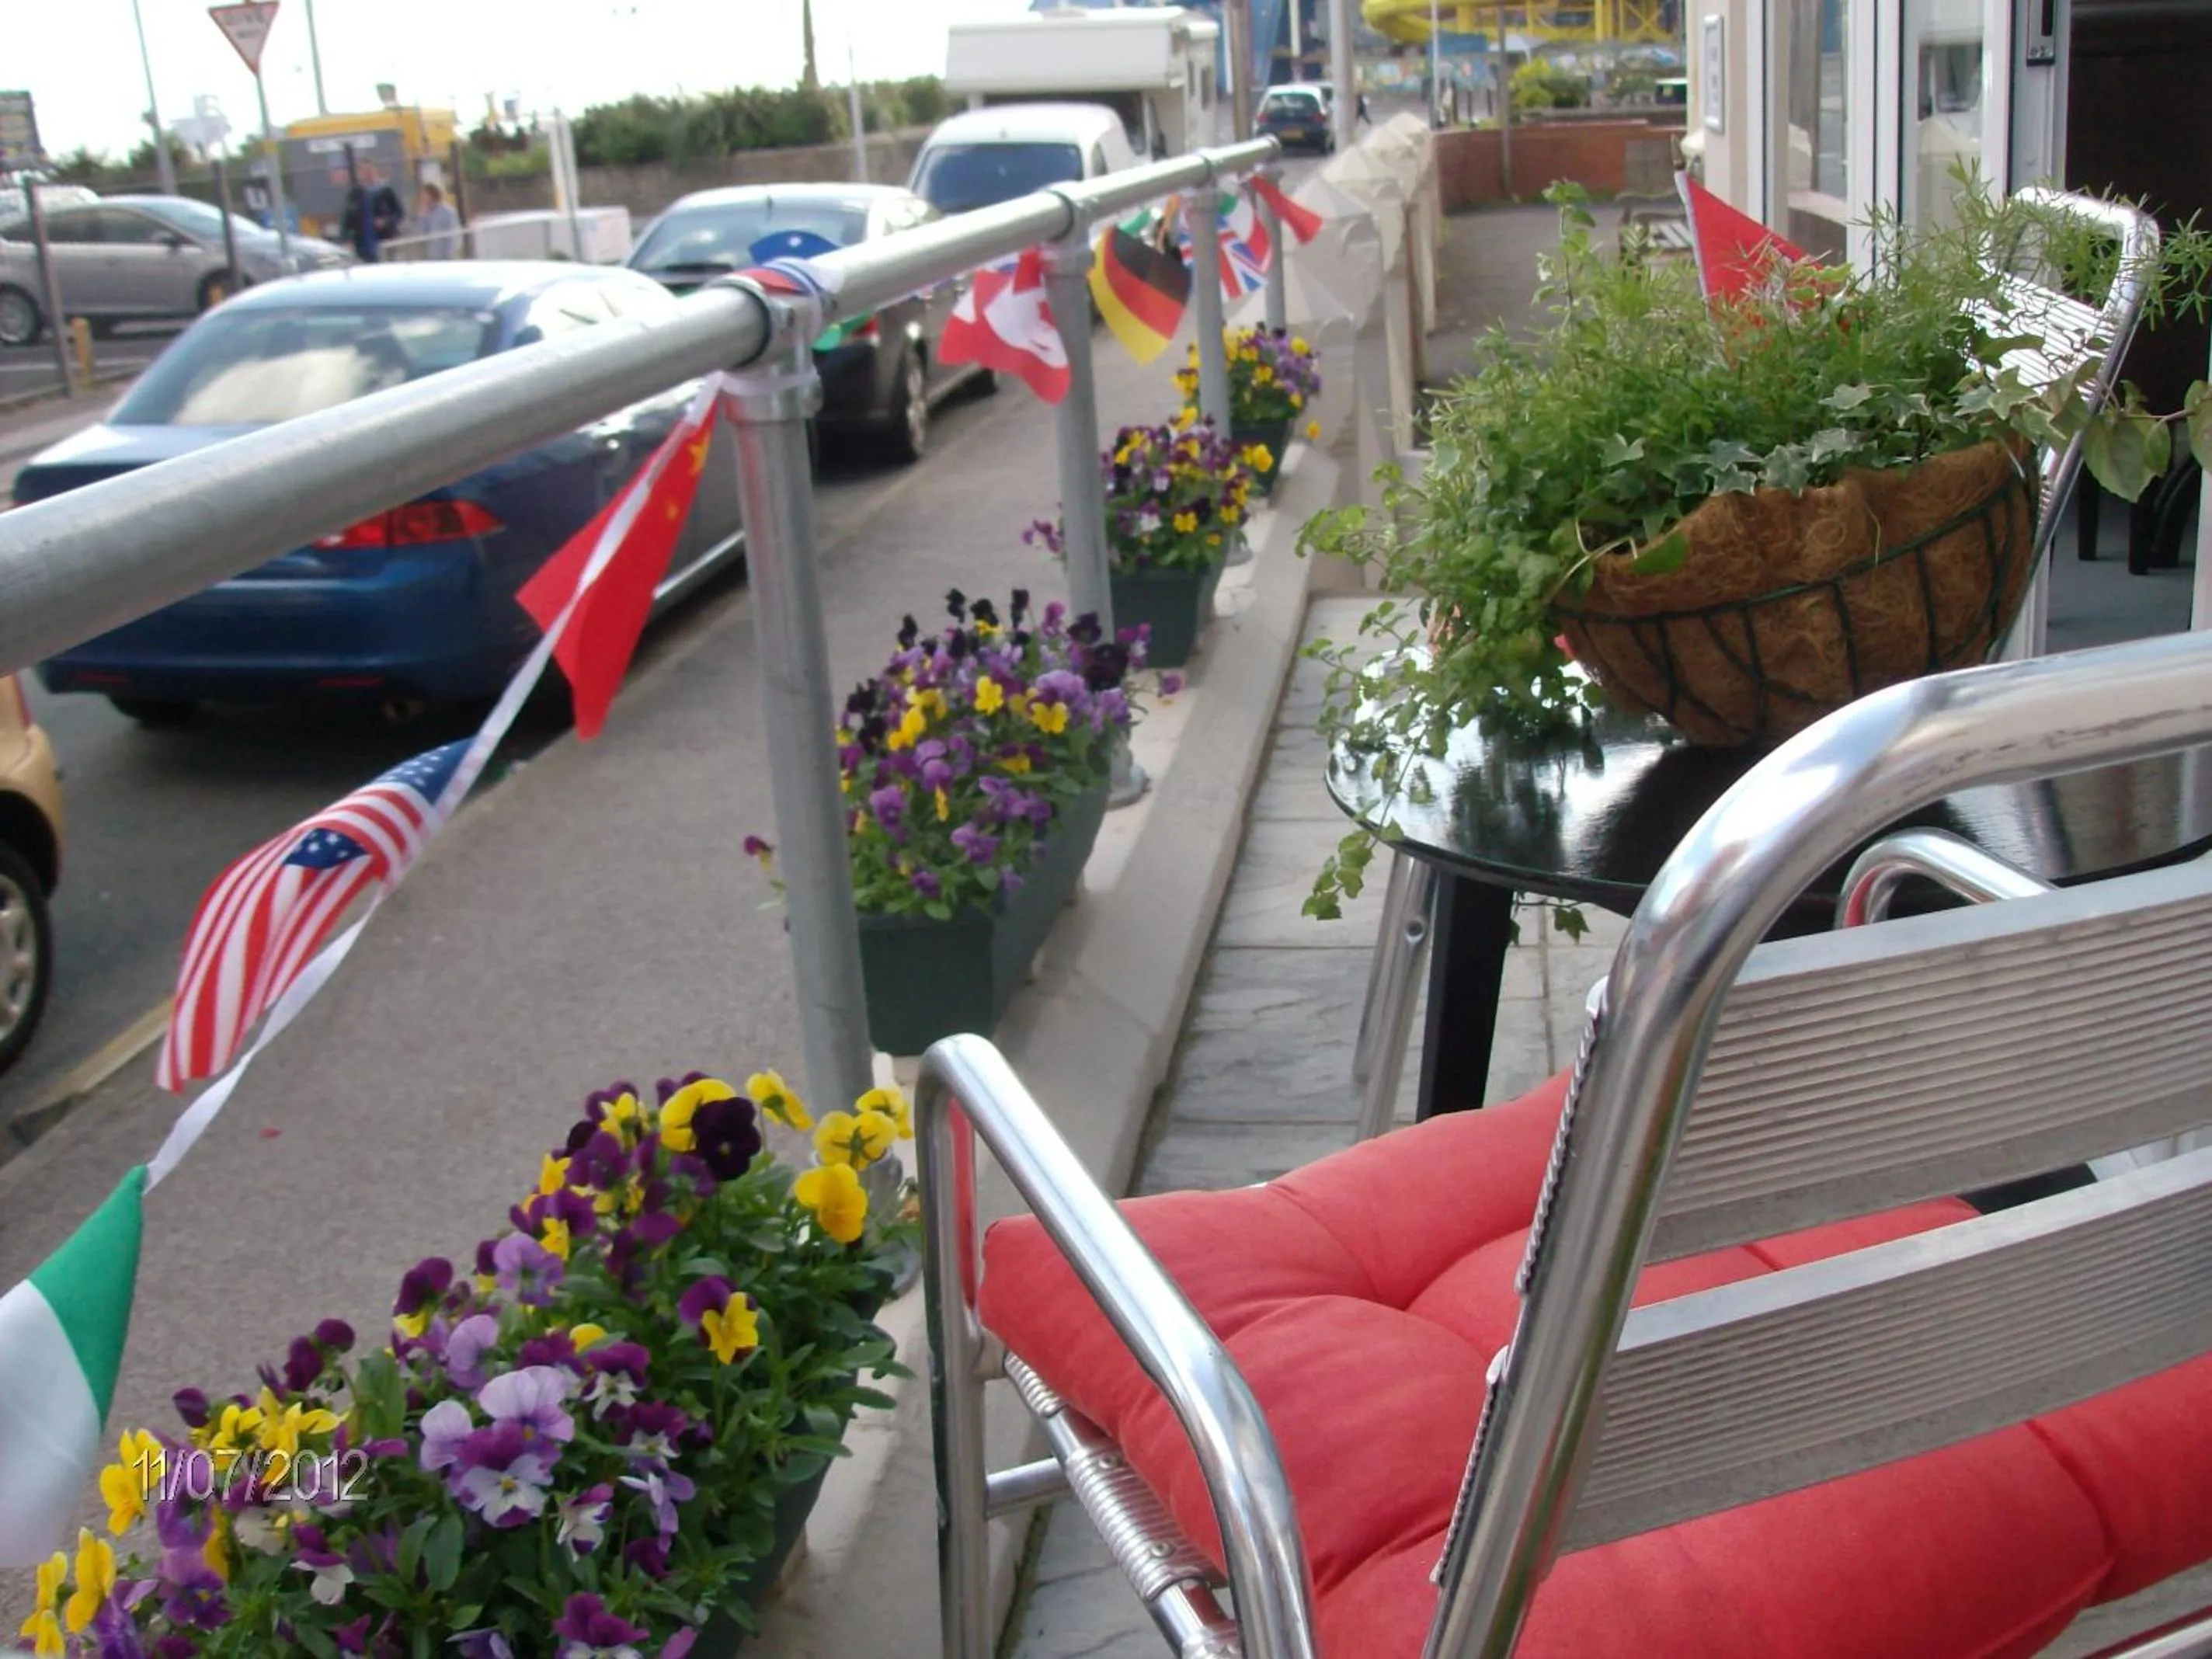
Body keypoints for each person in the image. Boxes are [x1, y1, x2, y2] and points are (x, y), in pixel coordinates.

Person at [341, 163, 405, 263]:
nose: (367, 174)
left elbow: (399, 213)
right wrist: (346, 238)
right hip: (362, 242)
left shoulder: (385, 191)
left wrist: (385, 222)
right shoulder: (355, 193)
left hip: (384, 240)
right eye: (363, 171)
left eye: (369, 170)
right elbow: (347, 218)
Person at [416, 182, 461, 258]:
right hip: (432, 256)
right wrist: (421, 217)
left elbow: (453, 234)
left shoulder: (447, 211)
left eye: (425, 195)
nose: (423, 198)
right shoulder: (426, 214)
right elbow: (421, 234)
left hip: (446, 255)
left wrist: (450, 253)